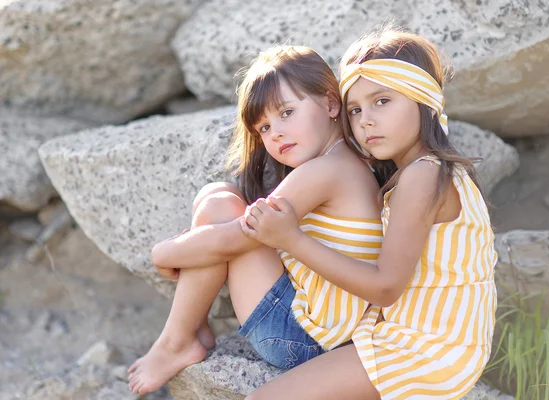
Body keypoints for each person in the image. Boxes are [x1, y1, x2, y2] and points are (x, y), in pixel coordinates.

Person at [241, 27, 497, 400]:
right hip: (432, 344)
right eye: (355, 109)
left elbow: (386, 286)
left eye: (382, 101)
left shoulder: (424, 175)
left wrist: (291, 239)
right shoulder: (427, 172)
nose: (365, 121)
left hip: (423, 350)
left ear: (423, 98)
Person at [127, 45, 384, 395]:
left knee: (220, 211)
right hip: (317, 329)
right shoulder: (346, 162)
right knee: (216, 194)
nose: (275, 133)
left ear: (330, 103)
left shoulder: (326, 171)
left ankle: (176, 341)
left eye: (287, 113)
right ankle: (195, 327)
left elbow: (235, 238)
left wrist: (163, 253)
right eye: (263, 127)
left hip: (302, 341)